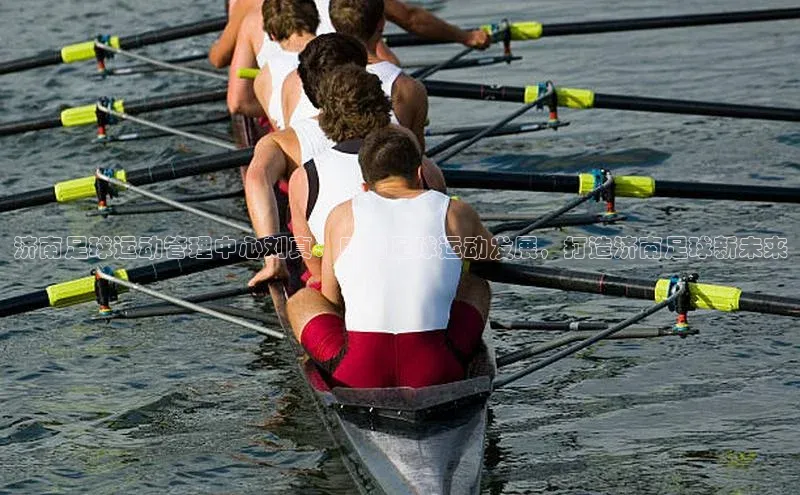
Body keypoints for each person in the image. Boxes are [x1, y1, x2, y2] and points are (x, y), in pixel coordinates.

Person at [286, 125, 497, 389]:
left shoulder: (340, 216)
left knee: (301, 300)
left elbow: (331, 299)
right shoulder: (456, 211)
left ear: (364, 186)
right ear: (420, 174)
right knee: (476, 284)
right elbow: (492, 258)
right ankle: (464, 359)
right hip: (437, 370)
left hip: (358, 373)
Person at [288, 64, 445, 286]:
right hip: (418, 284)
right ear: (384, 107)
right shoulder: (423, 167)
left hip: (344, 294)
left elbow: (315, 265)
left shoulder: (304, 178)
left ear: (324, 115)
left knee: (304, 295)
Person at [209, 0, 490, 119]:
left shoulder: (252, 7)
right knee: (384, 56)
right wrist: (465, 37)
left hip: (299, 104)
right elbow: (411, 18)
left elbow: (220, 61)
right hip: (363, 95)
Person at [328, 0, 428, 147]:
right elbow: (418, 155)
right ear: (381, 23)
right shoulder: (410, 88)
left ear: (333, 23)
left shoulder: (302, 80)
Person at [251, 0, 318, 129]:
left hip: (301, 144)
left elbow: (282, 132)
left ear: (272, 35)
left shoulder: (264, 77)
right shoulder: (344, 47)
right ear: (315, 19)